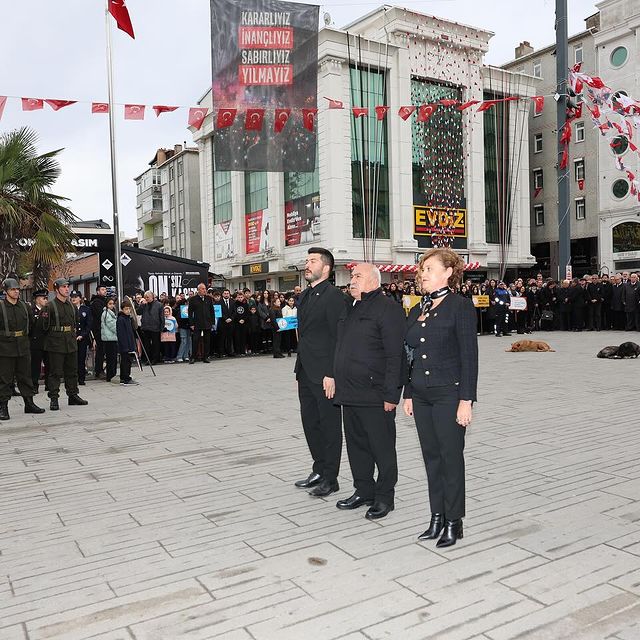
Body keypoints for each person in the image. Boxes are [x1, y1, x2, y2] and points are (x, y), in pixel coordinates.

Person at [403, 248, 478, 548]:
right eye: (422, 269)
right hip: (421, 395)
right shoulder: (416, 308)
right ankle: (436, 516)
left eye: (429, 268)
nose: (423, 273)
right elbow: (408, 356)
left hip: (449, 393)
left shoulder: (460, 306)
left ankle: (453, 521)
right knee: (431, 459)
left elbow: (469, 357)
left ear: (448, 272)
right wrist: (408, 393)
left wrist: (466, 400)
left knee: (450, 458)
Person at [333, 263, 405, 520]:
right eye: (351, 276)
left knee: (381, 447)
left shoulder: (388, 309)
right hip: (350, 393)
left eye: (358, 276)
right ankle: (363, 490)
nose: (352, 280)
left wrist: (391, 396)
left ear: (374, 281)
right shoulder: (350, 308)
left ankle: (385, 496)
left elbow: (396, 355)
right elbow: (342, 348)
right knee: (356, 446)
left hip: (376, 395)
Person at [294, 247, 346, 497]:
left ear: (326, 268)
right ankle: (318, 468)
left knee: (329, 426)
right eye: (307, 260)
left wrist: (331, 373)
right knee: (310, 423)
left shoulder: (334, 296)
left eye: (312, 261)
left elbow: (339, 338)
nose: (307, 264)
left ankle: (331, 477)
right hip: (305, 371)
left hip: (325, 374)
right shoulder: (304, 296)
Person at [39, 278, 88, 410]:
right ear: (56, 289)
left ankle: (73, 395)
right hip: (56, 343)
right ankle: (54, 398)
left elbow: (75, 323)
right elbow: (43, 327)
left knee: (72, 371)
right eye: (63, 287)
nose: (67, 289)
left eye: (67, 286)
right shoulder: (49, 306)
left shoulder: (72, 306)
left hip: (70, 342)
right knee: (55, 372)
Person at [0, 278, 45, 420]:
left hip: (23, 346)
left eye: (17, 289)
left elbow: (32, 326)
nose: (16, 292)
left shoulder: (24, 307)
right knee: (5, 379)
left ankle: (29, 403)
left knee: (25, 376)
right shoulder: (0, 307)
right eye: (13, 289)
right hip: (5, 347)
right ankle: (3, 407)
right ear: (6, 291)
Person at [70, 290, 93, 385]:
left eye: (76, 296)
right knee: (72, 360)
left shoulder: (85, 309)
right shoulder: (69, 308)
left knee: (81, 358)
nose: (74, 298)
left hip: (82, 338)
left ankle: (81, 378)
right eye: (72, 296)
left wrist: (82, 335)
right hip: (71, 338)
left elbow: (88, 325)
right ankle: (73, 379)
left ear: (80, 298)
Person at [30, 288, 49, 395]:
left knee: (49, 364)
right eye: (43, 298)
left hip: (47, 342)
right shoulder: (32, 311)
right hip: (35, 342)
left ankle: (48, 384)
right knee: (35, 366)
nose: (45, 300)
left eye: (46, 298)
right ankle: (34, 385)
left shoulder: (48, 310)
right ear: (37, 300)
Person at [188, 283, 213, 364]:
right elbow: (190, 312)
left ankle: (205, 357)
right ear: (198, 290)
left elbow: (211, 311)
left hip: (207, 323)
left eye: (205, 288)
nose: (204, 290)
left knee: (207, 341)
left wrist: (212, 322)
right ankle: (193, 357)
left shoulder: (209, 298)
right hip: (197, 323)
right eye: (202, 289)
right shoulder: (193, 299)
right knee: (195, 340)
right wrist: (191, 324)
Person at [136, 291, 163, 364]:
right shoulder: (144, 305)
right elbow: (138, 312)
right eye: (145, 297)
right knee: (147, 345)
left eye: (148, 297)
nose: (146, 298)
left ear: (152, 297)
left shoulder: (159, 305)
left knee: (155, 344)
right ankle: (149, 359)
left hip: (155, 327)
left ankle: (155, 359)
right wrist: (141, 305)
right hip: (146, 327)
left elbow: (161, 317)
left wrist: (161, 327)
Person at [116, 300, 138, 385]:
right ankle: (126, 378)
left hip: (129, 343)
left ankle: (124, 377)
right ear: (122, 310)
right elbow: (121, 334)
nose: (128, 311)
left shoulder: (128, 319)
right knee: (125, 362)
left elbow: (132, 331)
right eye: (126, 309)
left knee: (127, 361)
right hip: (124, 345)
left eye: (129, 309)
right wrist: (125, 346)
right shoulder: (121, 319)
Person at [89, 286, 107, 379]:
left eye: (105, 289)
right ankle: (98, 370)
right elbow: (101, 315)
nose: (105, 291)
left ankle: (101, 369)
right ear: (97, 291)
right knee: (101, 350)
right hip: (99, 329)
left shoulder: (104, 301)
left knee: (103, 350)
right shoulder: (97, 302)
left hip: (104, 329)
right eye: (102, 290)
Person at [101, 297, 118, 381]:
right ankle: (111, 375)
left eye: (112, 303)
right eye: (110, 304)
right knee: (111, 358)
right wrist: (119, 332)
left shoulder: (108, 313)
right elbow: (112, 326)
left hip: (109, 338)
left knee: (111, 358)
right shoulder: (107, 314)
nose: (112, 305)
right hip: (110, 338)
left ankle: (111, 375)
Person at [218, 288, 235, 356]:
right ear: (222, 294)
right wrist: (225, 319)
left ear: (229, 294)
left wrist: (231, 318)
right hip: (223, 323)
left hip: (231, 323)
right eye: (225, 293)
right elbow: (220, 312)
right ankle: (221, 352)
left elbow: (234, 312)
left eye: (227, 293)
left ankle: (229, 352)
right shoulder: (219, 302)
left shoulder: (233, 302)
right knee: (222, 338)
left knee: (229, 338)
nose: (226, 295)